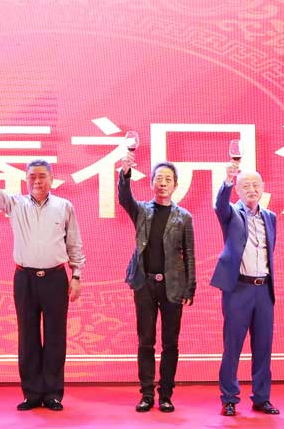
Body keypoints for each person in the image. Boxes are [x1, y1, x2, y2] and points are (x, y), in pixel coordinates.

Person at [0, 147, 86, 412]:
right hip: (24, 278)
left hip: (55, 278)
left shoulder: (64, 207)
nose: (36, 181)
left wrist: (76, 275)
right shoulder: (15, 204)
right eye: (32, 177)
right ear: (26, 179)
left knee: (55, 336)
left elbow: (74, 244)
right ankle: (31, 393)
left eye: (41, 176)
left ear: (51, 178)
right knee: (27, 336)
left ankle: (52, 393)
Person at [117, 153, 195, 413]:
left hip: (173, 286)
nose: (163, 183)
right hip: (144, 284)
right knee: (145, 341)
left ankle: (166, 395)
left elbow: (189, 254)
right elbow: (124, 198)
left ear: (176, 185)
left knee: (170, 343)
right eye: (158, 178)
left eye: (168, 179)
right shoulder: (141, 211)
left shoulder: (184, 217)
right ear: (151, 183)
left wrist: (190, 287)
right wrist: (125, 173)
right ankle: (147, 393)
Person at [210, 162, 280, 417]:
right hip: (239, 288)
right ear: (238, 190)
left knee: (263, 346)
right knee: (233, 346)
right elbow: (220, 204)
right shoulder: (231, 213)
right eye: (246, 186)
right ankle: (229, 398)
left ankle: (261, 398)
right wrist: (227, 181)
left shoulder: (270, 217)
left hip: (264, 289)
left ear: (263, 188)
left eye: (256, 185)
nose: (252, 190)